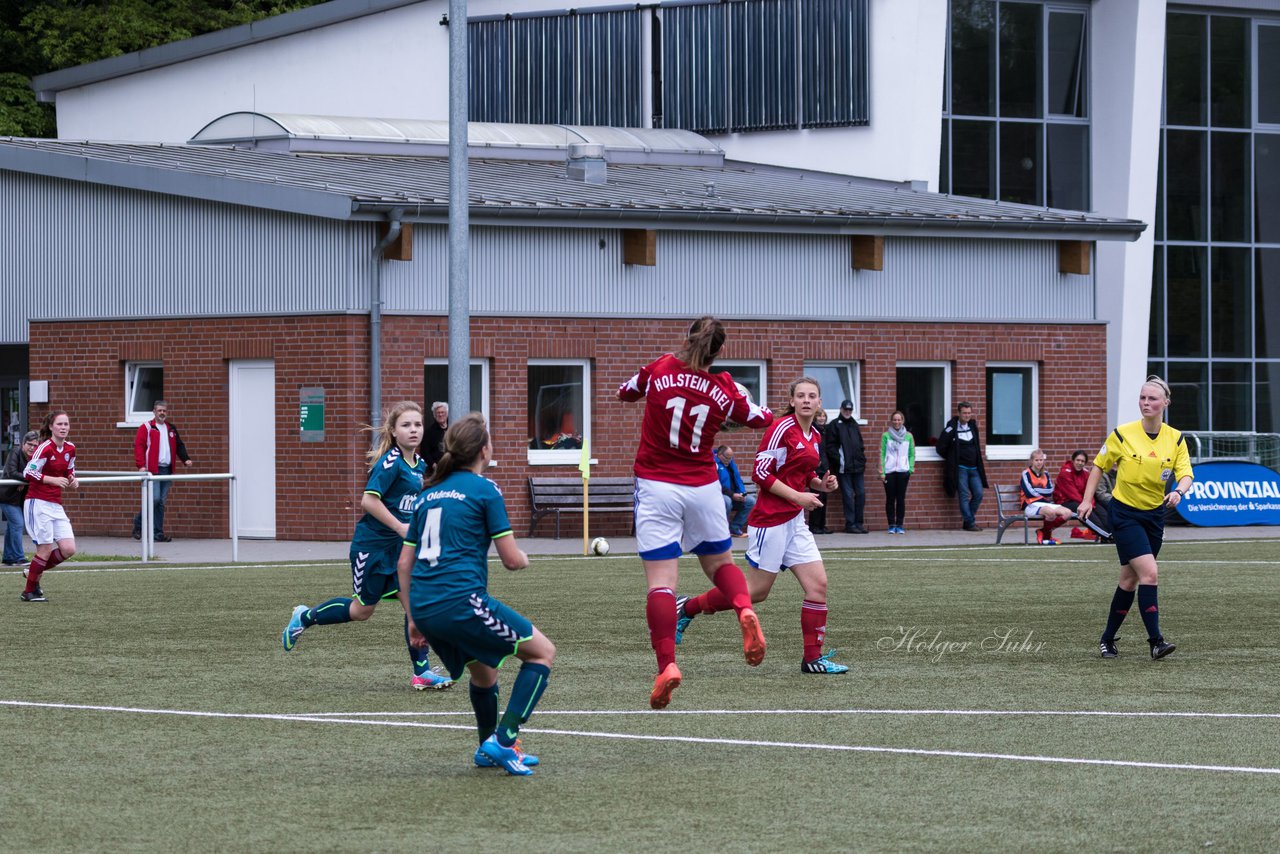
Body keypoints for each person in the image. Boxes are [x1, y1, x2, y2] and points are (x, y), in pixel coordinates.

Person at [618, 315, 773, 709]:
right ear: (719, 350)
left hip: (657, 486)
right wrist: (752, 407)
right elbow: (759, 418)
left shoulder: (659, 368)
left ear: (687, 341)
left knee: (661, 583)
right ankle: (743, 608)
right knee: (720, 563)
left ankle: (667, 665)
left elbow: (625, 392)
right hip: (703, 487)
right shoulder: (723, 388)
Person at [399, 413, 555, 775]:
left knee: (484, 675)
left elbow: (404, 564)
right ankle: (504, 740)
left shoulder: (427, 494)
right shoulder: (486, 489)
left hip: (424, 605)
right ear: (485, 450)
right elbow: (512, 561)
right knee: (543, 653)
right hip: (461, 601)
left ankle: (487, 749)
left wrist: (413, 619)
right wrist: (525, 558)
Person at [676, 377, 848, 674]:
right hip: (770, 521)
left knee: (818, 585)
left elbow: (804, 474)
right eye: (801, 396)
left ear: (820, 403)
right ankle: (687, 608)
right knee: (756, 592)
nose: (807, 400)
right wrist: (798, 496)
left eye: (813, 396)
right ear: (792, 401)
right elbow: (760, 473)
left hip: (795, 522)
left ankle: (813, 659)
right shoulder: (781, 428)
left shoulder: (815, 436)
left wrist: (822, 484)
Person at [282, 401, 453, 690]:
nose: (414, 430)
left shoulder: (419, 464)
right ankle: (305, 616)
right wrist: (400, 526)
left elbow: (407, 503)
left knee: (414, 603)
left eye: (418, 424)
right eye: (406, 425)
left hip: (398, 549)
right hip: (371, 548)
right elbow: (369, 500)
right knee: (362, 610)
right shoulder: (390, 462)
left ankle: (421, 671)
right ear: (394, 432)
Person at [1079, 375, 1192, 661]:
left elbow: (1186, 474)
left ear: (1165, 402)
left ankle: (1106, 640)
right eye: (1142, 397)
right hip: (1125, 514)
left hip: (1154, 516)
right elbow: (1098, 467)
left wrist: (1179, 491)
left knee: (1129, 580)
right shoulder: (1122, 434)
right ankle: (1156, 641)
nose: (1145, 403)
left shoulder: (1175, 438)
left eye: (1152, 398)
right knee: (1149, 573)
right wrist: (1086, 500)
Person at [20, 410, 79, 602]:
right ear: (51, 427)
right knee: (44, 550)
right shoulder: (45, 448)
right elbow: (28, 472)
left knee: (69, 548)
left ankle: (32, 571)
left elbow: (69, 469)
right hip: (38, 502)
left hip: (55, 504)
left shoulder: (70, 448)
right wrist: (51, 479)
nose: (63, 427)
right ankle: (29, 591)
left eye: (66, 424)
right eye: (59, 424)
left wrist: (72, 478)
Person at [132, 400, 192, 542]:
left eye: (164, 410)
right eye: (159, 410)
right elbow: (139, 447)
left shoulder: (171, 428)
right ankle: (138, 523)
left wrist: (185, 459)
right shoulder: (147, 427)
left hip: (167, 469)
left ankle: (158, 533)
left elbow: (179, 445)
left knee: (161, 502)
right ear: (154, 411)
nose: (162, 413)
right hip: (153, 469)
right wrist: (140, 465)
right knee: (155, 499)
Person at [936, 401, 989, 531]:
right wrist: (951, 458)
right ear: (959, 413)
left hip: (974, 468)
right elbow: (940, 447)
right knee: (964, 496)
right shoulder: (951, 428)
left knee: (978, 494)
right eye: (964, 413)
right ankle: (970, 523)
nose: (967, 415)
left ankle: (968, 519)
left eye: (969, 413)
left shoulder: (973, 426)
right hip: (960, 469)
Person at [824, 398, 867, 533]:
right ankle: (850, 524)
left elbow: (860, 445)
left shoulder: (854, 424)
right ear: (841, 409)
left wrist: (862, 459)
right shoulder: (834, 425)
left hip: (858, 467)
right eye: (845, 409)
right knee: (847, 495)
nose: (848, 412)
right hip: (843, 468)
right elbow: (830, 447)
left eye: (850, 410)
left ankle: (859, 523)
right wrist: (839, 460)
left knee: (861, 494)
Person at [1019, 449, 1078, 546]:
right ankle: (1047, 536)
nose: (1039, 462)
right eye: (1036, 460)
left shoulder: (1045, 474)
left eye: (1041, 460)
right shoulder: (1026, 473)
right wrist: (1041, 492)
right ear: (1032, 461)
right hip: (1030, 504)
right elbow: (1029, 493)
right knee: (1050, 513)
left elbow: (1050, 491)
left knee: (1068, 513)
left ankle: (1043, 531)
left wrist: (1036, 489)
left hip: (1045, 503)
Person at [1052, 449, 1111, 541]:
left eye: (1082, 461)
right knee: (1084, 511)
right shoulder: (1065, 473)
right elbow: (1072, 494)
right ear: (1073, 460)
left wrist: (1091, 503)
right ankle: (1106, 536)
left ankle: (1112, 533)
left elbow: (1089, 492)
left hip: (1082, 501)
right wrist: (1086, 504)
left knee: (1101, 511)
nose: (1080, 463)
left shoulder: (1085, 473)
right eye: (1078, 460)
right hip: (1066, 502)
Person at [2, 431, 38, 566]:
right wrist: (25, 479)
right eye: (29, 444)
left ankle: (8, 557)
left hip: (19, 499)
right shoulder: (15, 452)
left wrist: (24, 481)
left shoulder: (34, 458)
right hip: (7, 496)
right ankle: (19, 557)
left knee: (12, 527)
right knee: (17, 524)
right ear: (23, 444)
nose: (32, 448)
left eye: (35, 445)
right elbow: (12, 472)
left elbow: (36, 474)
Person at [879, 411, 915, 534]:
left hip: (903, 471)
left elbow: (911, 454)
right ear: (891, 421)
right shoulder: (885, 435)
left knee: (900, 499)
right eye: (894, 420)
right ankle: (891, 524)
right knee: (890, 499)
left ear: (903, 421)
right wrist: (882, 471)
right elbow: (882, 453)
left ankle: (899, 525)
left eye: (899, 420)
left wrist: (910, 469)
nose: (897, 422)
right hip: (889, 471)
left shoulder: (909, 436)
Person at [715, 445, 753, 537]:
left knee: (750, 501)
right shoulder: (714, 464)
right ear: (719, 455)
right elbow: (716, 485)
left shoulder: (731, 464)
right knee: (727, 502)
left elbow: (738, 480)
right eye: (727, 458)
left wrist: (742, 493)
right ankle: (722, 530)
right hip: (719, 496)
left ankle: (734, 528)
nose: (729, 460)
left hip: (733, 495)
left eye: (730, 458)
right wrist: (732, 495)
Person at [808, 408, 831, 535]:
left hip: (825, 467)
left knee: (824, 498)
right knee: (816, 497)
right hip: (816, 468)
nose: (822, 418)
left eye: (823, 416)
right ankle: (814, 525)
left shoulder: (825, 431)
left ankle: (822, 525)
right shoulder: (813, 431)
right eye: (819, 416)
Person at [423, 401, 448, 473]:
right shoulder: (429, 432)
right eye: (438, 413)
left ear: (447, 413)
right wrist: (434, 465)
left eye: (442, 412)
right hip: (436, 470)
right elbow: (425, 452)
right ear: (434, 415)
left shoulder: (453, 428)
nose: (440, 415)